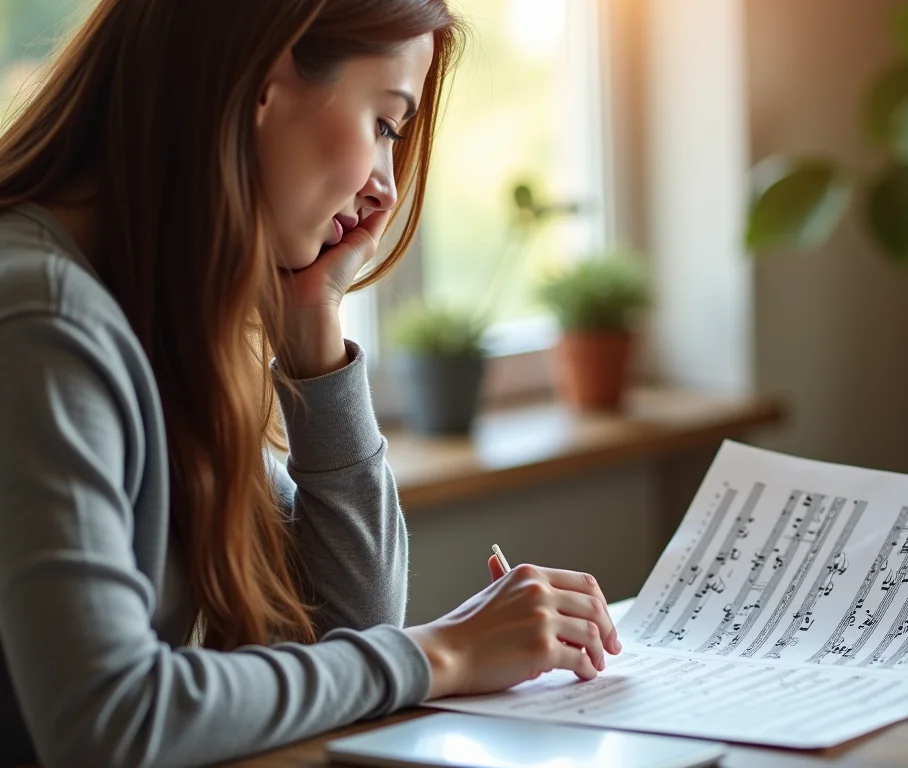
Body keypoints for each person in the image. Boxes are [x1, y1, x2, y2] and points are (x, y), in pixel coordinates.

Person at [0, 1, 622, 766]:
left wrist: (315, 330)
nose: (387, 192)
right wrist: (445, 654)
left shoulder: (147, 314)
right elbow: (107, 722)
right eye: (387, 124)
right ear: (266, 80)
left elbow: (345, 625)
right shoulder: (41, 322)